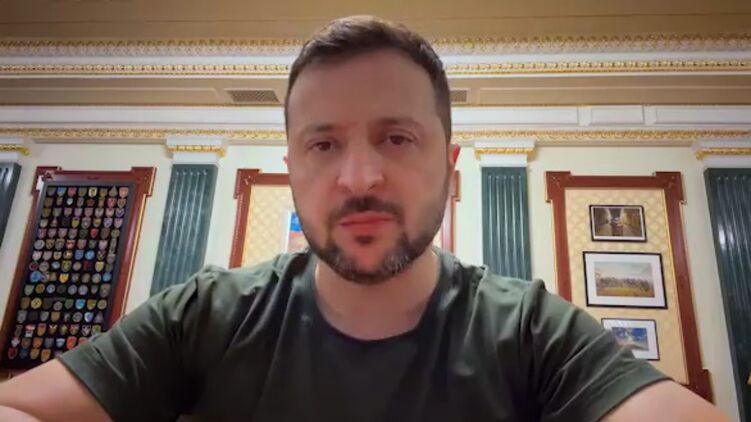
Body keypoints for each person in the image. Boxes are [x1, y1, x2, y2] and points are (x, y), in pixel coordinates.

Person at [0, 15, 729, 422]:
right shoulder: (205, 315)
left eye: (396, 138)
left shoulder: (533, 332)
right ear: (292, 168)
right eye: (323, 144)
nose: (358, 178)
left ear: (449, 162)